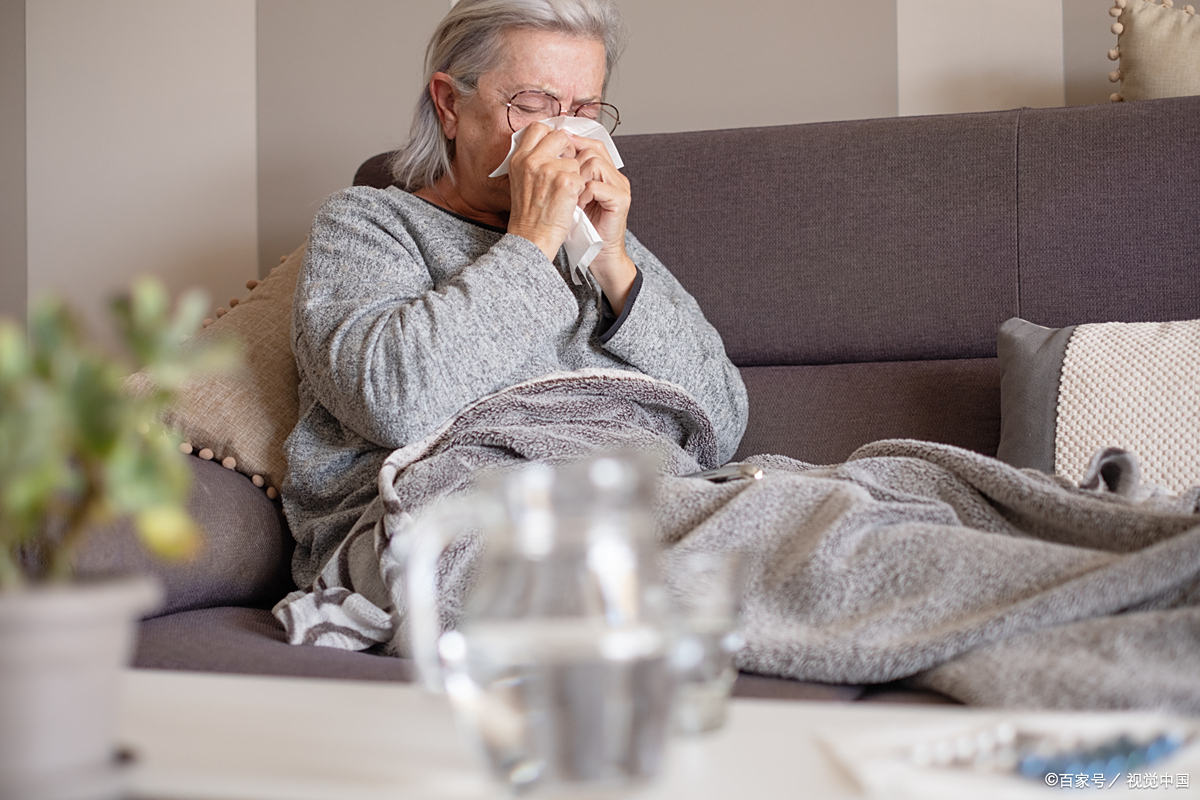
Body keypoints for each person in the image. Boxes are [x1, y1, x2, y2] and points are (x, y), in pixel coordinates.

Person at [283, 0, 748, 588]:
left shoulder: (600, 238)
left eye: (584, 110)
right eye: (532, 105)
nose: (561, 134)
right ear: (450, 104)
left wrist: (611, 263)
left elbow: (724, 422)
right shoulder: (369, 224)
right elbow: (396, 400)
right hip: (468, 517)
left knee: (868, 501)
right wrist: (532, 241)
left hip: (646, 496)